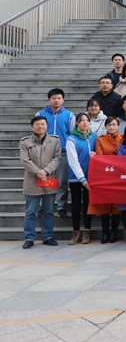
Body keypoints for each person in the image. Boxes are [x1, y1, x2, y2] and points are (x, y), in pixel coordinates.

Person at [19, 116, 62, 248]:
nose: (40, 126)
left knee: (48, 211)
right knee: (31, 211)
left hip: (49, 178)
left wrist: (46, 171)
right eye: (37, 124)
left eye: (43, 124)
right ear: (32, 127)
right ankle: (29, 238)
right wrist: (38, 172)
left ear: (47, 126)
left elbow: (57, 157)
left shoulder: (55, 140)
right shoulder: (25, 142)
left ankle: (48, 237)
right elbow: (25, 160)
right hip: (32, 180)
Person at [36, 88, 75, 217]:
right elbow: (36, 132)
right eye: (54, 98)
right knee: (45, 180)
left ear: (63, 100)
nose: (56, 100)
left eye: (59, 98)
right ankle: (44, 207)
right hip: (44, 154)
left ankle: (61, 206)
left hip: (63, 154)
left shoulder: (69, 115)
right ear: (49, 100)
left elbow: (72, 134)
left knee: (62, 182)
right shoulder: (40, 114)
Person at [66, 113, 97, 245]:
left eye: (87, 120)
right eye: (81, 120)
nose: (84, 123)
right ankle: (76, 232)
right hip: (75, 178)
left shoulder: (94, 136)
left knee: (88, 204)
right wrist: (82, 178)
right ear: (77, 123)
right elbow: (73, 161)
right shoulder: (71, 139)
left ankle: (87, 232)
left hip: (91, 177)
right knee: (76, 204)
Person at [91, 118, 123, 243]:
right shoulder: (100, 139)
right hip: (105, 175)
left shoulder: (123, 139)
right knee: (104, 205)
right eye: (109, 125)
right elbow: (100, 157)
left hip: (119, 176)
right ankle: (105, 232)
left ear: (118, 126)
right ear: (106, 126)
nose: (112, 127)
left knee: (116, 206)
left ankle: (113, 232)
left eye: (114, 124)